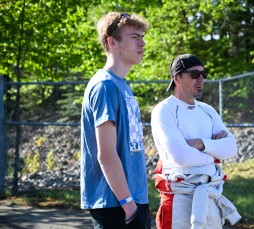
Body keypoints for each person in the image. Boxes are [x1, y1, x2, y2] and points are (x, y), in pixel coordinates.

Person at [151, 54, 242, 229]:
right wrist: (215, 154)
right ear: (177, 78)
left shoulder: (208, 110)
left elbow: (231, 148)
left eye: (203, 74)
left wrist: (202, 143)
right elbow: (181, 157)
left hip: (209, 195)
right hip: (179, 199)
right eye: (194, 74)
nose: (201, 79)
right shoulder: (164, 110)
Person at [80, 12, 151, 229]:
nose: (142, 43)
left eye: (142, 37)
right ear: (112, 42)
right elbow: (107, 155)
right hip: (116, 205)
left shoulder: (122, 85)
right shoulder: (105, 86)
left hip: (132, 201)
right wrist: (129, 207)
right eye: (134, 37)